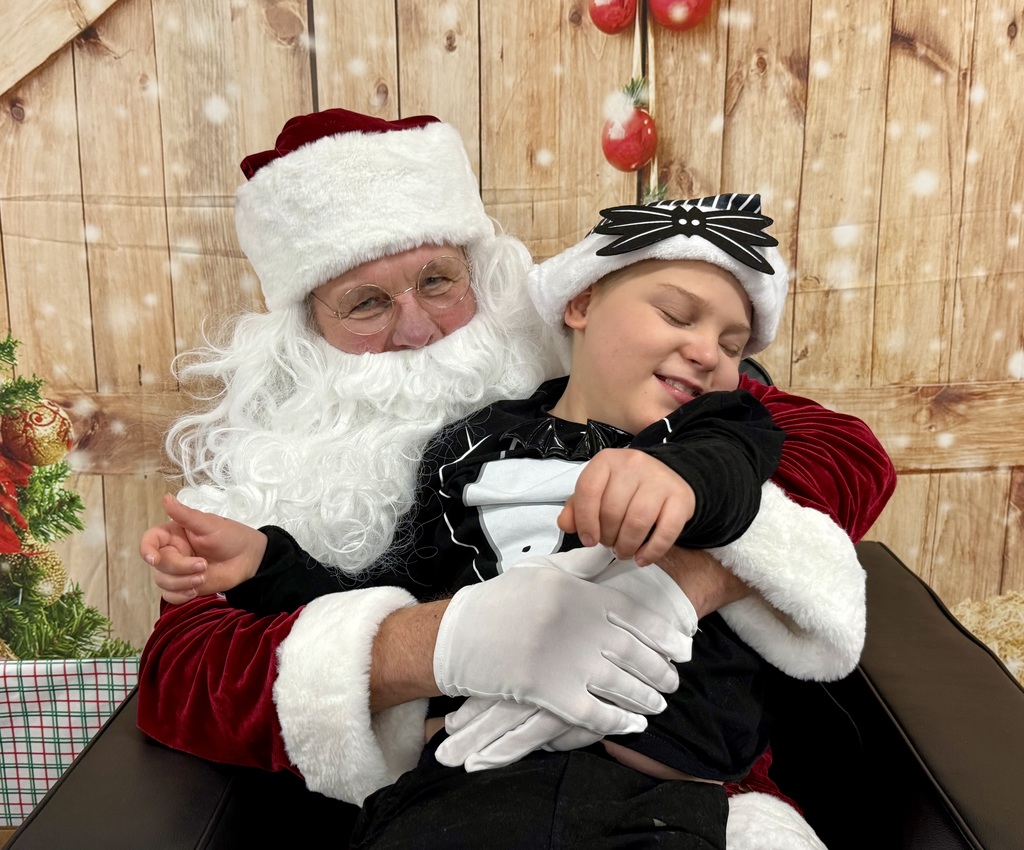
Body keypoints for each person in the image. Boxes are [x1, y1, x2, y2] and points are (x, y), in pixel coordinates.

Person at [137, 108, 895, 848]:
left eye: (438, 281)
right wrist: (439, 640)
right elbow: (184, 678)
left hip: (677, 791)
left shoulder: (631, 378)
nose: (416, 329)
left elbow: (832, 449)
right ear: (303, 332)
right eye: (365, 302)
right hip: (464, 783)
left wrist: (680, 578)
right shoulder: (345, 464)